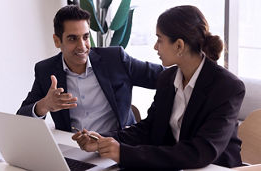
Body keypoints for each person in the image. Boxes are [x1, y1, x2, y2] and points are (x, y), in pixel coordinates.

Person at [72, 5, 245, 170]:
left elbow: (199, 153)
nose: (155, 47)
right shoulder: (167, 78)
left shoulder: (227, 87)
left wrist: (124, 153)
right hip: (175, 166)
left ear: (179, 46)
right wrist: (103, 139)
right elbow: (148, 129)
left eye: (159, 39)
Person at [17, 5, 164, 134]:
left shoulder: (115, 59)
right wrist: (44, 105)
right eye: (72, 39)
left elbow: (163, 76)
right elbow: (21, 119)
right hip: (73, 148)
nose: (82, 46)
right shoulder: (46, 70)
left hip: (117, 146)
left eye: (85, 37)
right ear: (57, 41)